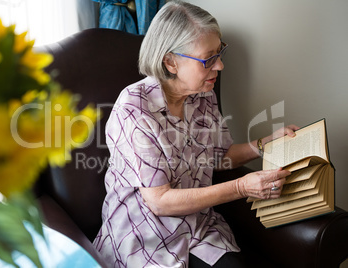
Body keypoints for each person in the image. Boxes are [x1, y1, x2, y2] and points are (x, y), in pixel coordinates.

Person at [93, 1, 299, 267]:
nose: (220, 66)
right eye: (209, 58)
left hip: (196, 225)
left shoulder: (202, 95)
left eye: (220, 52)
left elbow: (220, 156)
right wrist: (241, 186)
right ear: (171, 62)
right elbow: (160, 202)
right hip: (143, 232)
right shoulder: (134, 109)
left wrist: (264, 145)